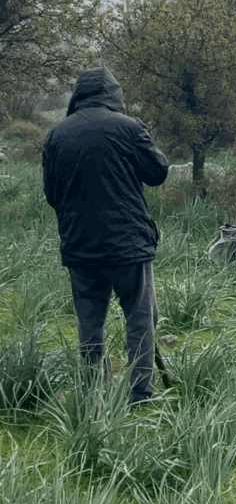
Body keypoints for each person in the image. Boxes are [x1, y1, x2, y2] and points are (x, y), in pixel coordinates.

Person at [42, 67, 169, 406]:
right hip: (129, 246)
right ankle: (141, 394)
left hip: (80, 248)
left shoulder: (57, 134)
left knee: (90, 326)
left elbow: (51, 195)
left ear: (78, 95)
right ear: (116, 94)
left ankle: (94, 394)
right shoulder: (129, 128)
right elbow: (157, 173)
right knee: (140, 321)